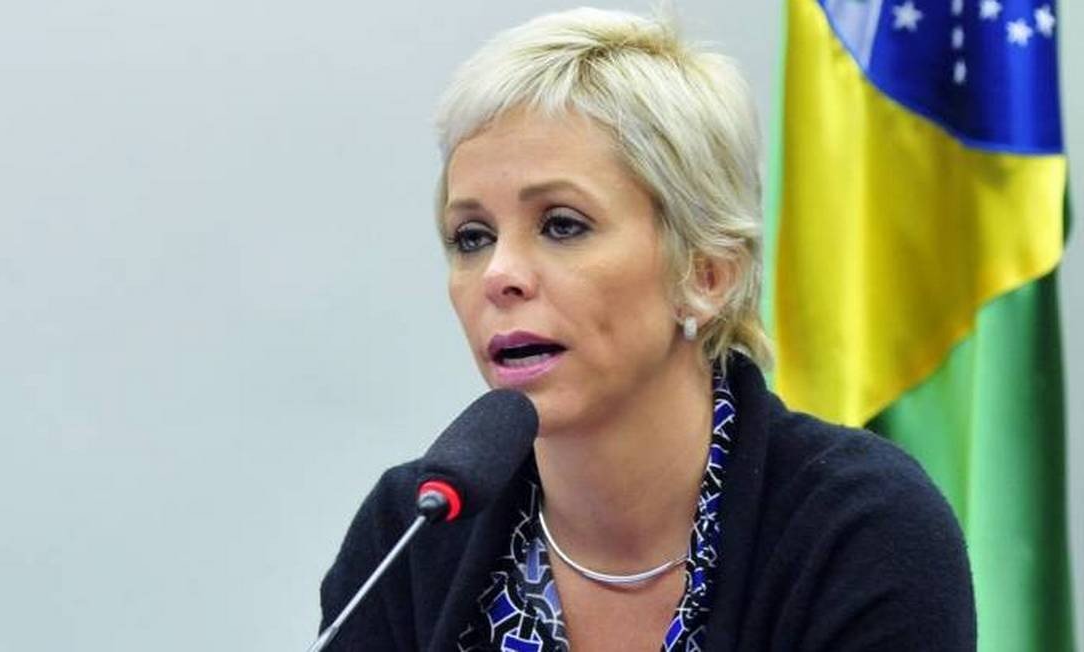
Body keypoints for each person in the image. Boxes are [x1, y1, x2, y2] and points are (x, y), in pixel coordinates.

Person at [318, 7, 975, 651]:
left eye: (562, 225)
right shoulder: (412, 530)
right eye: (472, 236)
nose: (499, 274)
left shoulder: (859, 529)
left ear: (706, 274)